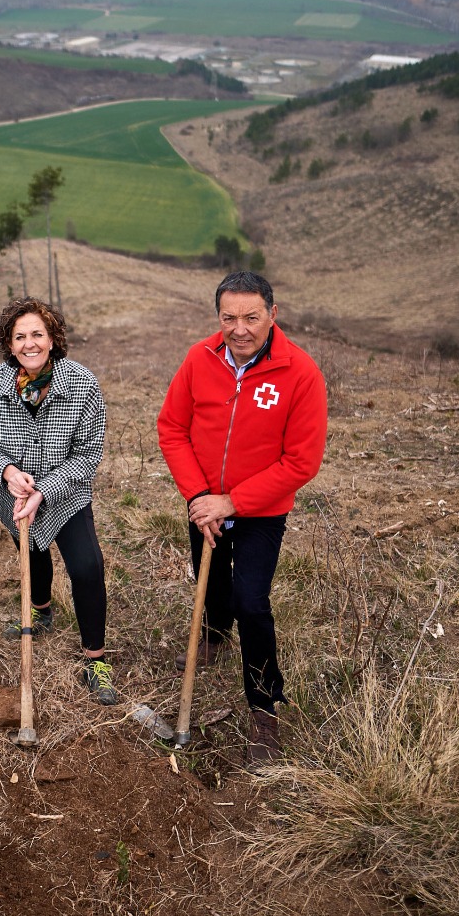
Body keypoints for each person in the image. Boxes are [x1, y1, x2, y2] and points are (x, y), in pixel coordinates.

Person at [157, 272, 327, 764]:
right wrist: (199, 496)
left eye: (251, 317)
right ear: (218, 317)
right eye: (229, 317)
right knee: (210, 588)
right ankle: (212, 636)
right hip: (203, 501)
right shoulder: (198, 359)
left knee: (250, 602)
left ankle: (264, 707)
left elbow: (302, 462)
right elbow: (172, 429)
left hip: (260, 511)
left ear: (273, 314)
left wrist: (231, 502)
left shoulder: (301, 373)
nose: (240, 328)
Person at [0, 297, 119, 705]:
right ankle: (40, 610)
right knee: (31, 551)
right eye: (20, 336)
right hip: (14, 497)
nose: (29, 343)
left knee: (87, 567)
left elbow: (88, 456)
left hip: (66, 496)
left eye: (37, 334)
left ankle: (96, 659)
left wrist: (44, 491)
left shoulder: (82, 385)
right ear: (9, 344)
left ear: (53, 339)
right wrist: (6, 471)